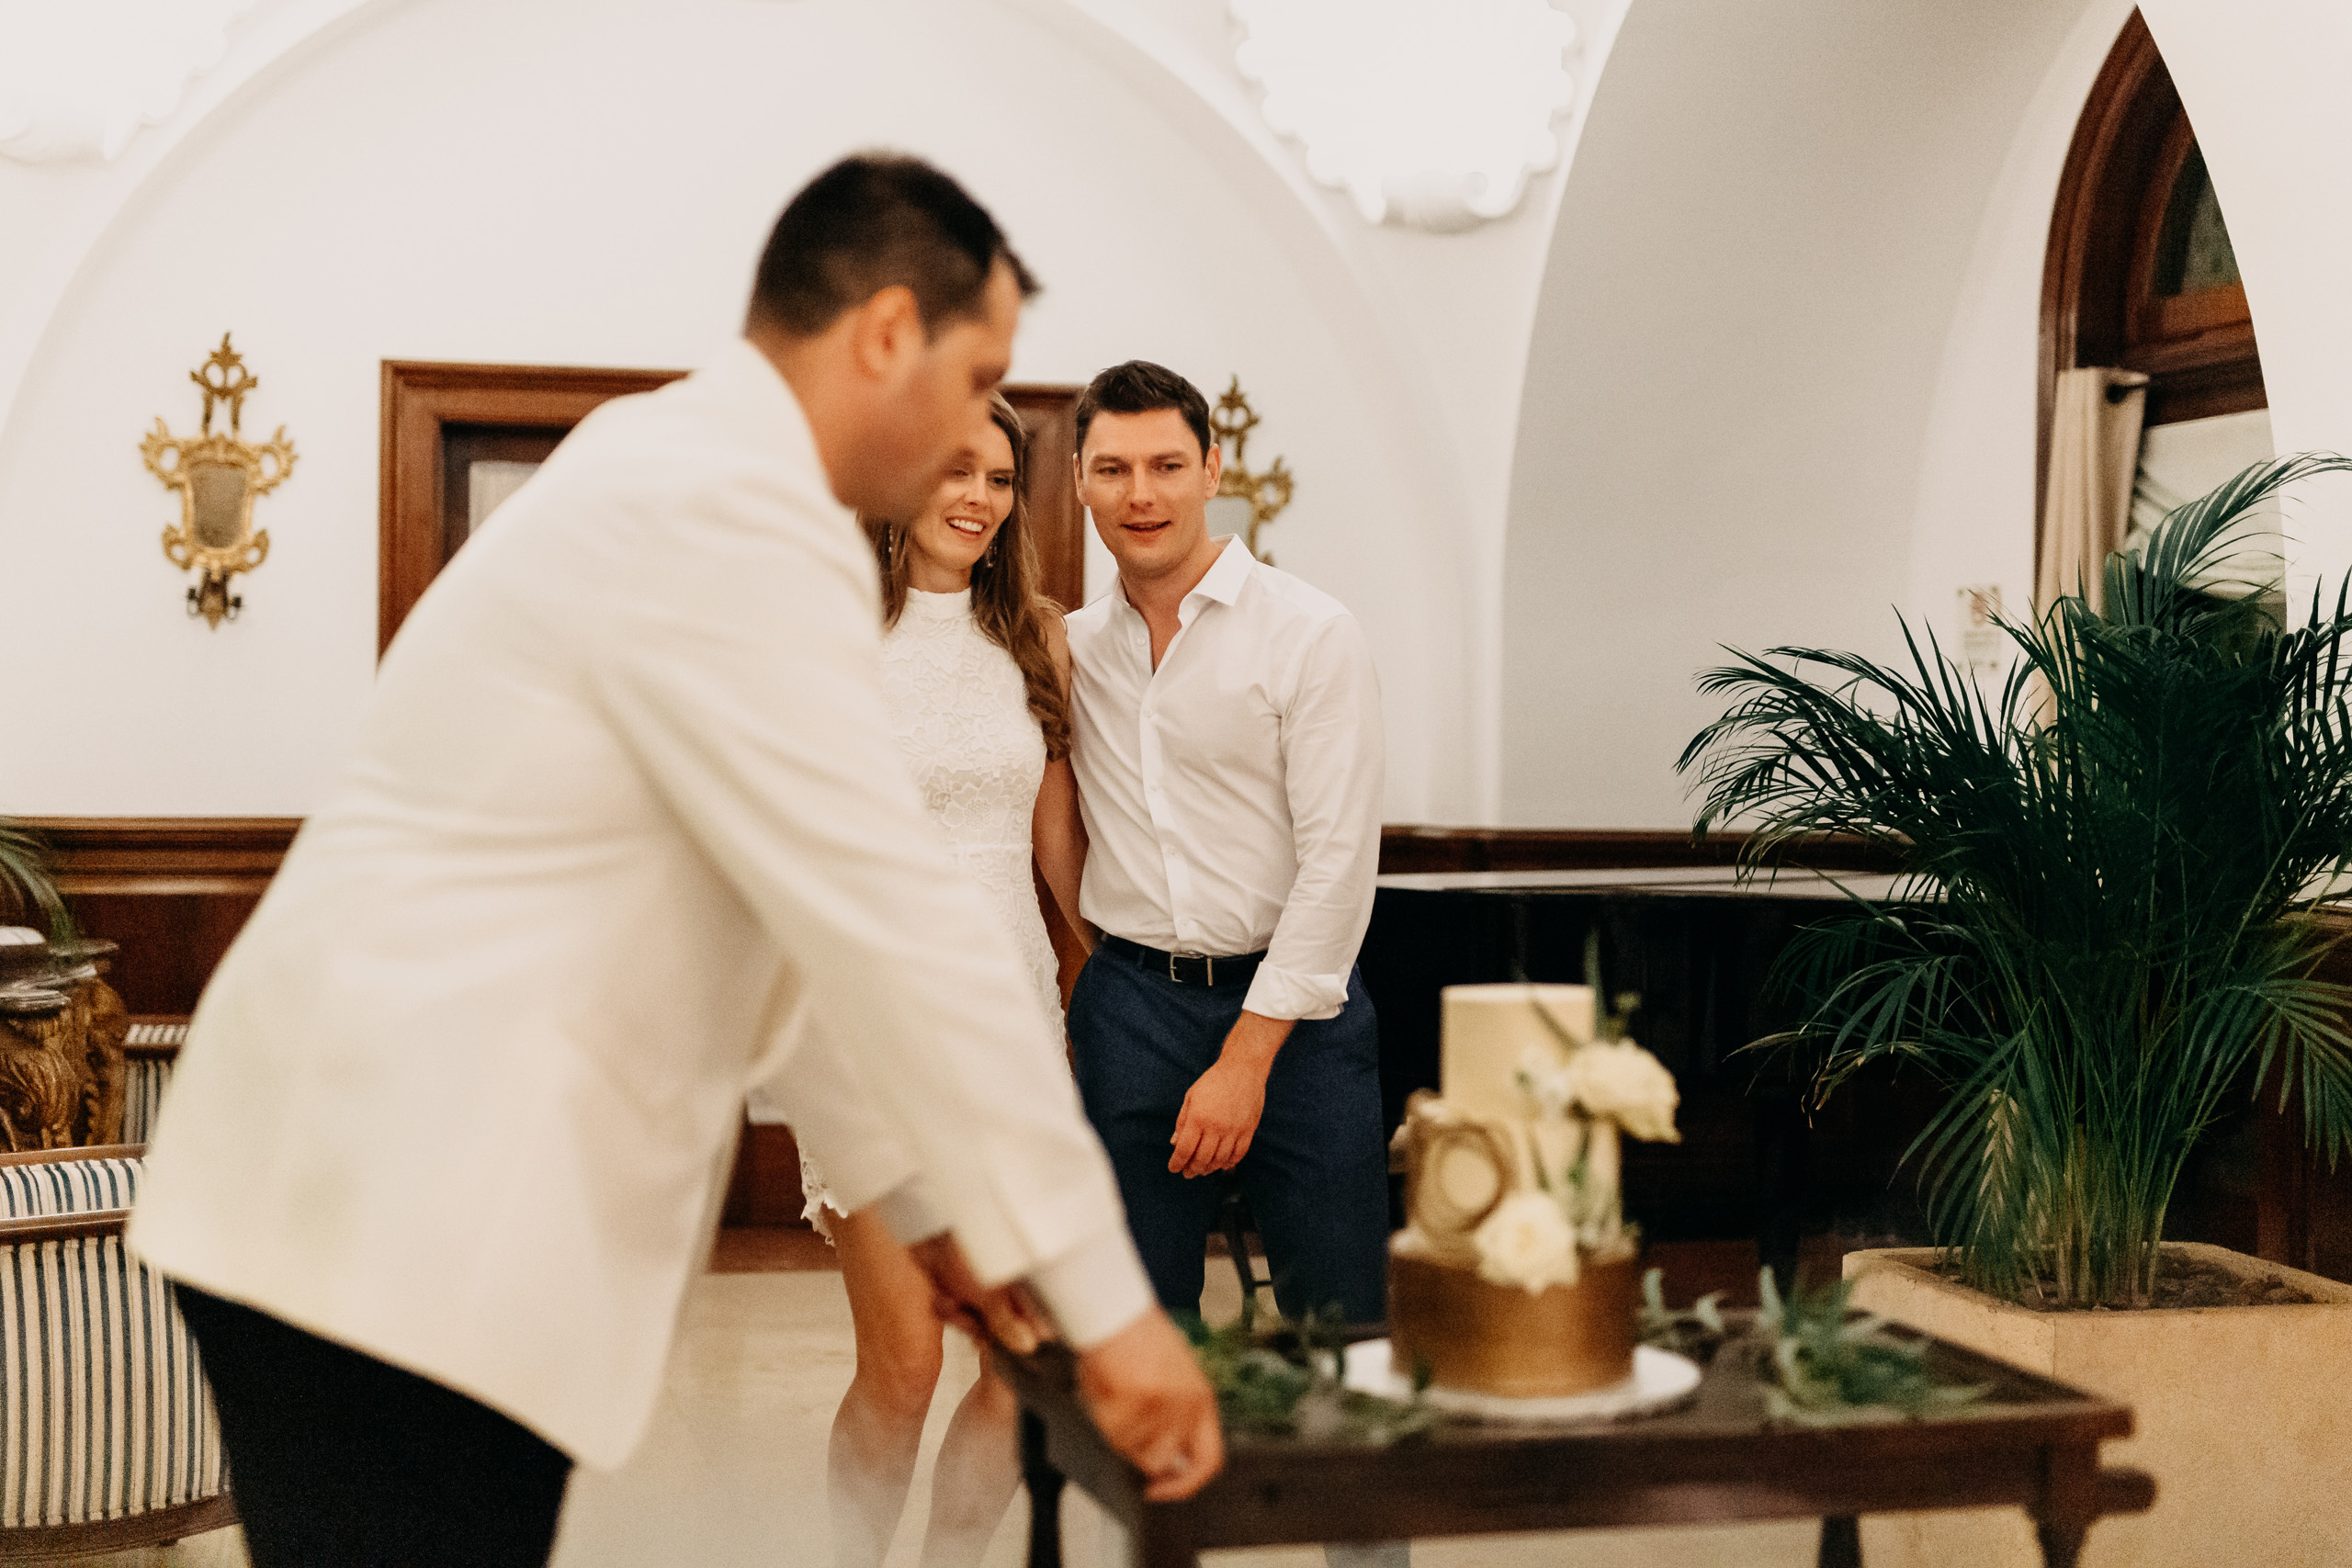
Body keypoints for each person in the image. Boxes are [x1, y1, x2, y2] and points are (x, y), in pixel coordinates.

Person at [128, 157, 1219, 1568]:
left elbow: (790, 931)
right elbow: (888, 915)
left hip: (382, 1187)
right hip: (394, 1197)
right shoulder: (726, 513)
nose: (978, 431)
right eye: (976, 378)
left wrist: (924, 1200)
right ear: (887, 331)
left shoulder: (694, 475)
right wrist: (1108, 1305)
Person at [1062, 360, 1399, 1568]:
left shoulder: (1309, 632)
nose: (1140, 493)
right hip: (1131, 1009)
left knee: (1343, 1334)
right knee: (1140, 1328)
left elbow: (1338, 865)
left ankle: (1363, 1560)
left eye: (1166, 464)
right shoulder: (1072, 648)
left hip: (1297, 1022)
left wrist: (1246, 1057)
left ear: (1213, 468)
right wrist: (1099, 969)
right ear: (1080, 480)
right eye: (1113, 468)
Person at [773, 391, 1089, 1568]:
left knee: (1022, 1358)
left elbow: (1055, 851)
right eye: (955, 471)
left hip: (1013, 1027)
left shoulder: (1037, 637)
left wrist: (1109, 996)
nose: (978, 498)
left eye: (1000, 480)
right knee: (903, 1367)